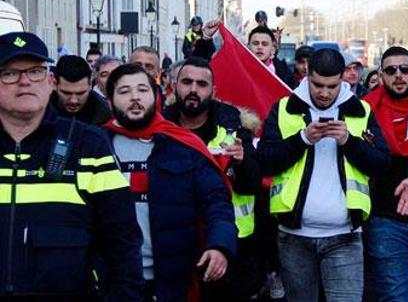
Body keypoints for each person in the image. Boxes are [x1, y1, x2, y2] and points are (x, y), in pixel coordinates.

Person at [0, 32, 142, 300]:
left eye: (35, 71)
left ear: (50, 81)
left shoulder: (89, 145)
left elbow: (121, 244)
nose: (24, 82)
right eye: (9, 73)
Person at [257, 48, 390, 302]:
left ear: (343, 78)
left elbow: (381, 164)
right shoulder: (285, 108)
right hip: (294, 235)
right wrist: (303, 139)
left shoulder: (360, 110)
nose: (325, 93)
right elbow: (265, 161)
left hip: (345, 235)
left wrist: (349, 142)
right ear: (307, 74)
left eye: (332, 86)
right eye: (318, 85)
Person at [103, 63, 237, 301]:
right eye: (124, 91)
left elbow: (217, 203)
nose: (135, 97)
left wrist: (220, 246)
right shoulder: (95, 147)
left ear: (156, 97)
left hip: (172, 283)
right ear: (110, 101)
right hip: (112, 282)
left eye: (142, 90)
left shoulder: (184, 145)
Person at [163, 57, 265, 300]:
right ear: (174, 86)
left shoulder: (233, 130)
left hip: (230, 247)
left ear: (213, 91)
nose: (193, 90)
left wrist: (242, 162)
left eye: (201, 84)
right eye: (187, 82)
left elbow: (253, 184)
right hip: (174, 244)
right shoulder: (160, 128)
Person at [362, 47, 408, 301]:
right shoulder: (363, 111)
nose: (398, 75)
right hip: (385, 220)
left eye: (405, 69)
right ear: (381, 75)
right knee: (396, 297)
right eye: (391, 70)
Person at [51, 55, 111, 125]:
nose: (73, 101)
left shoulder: (103, 113)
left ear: (90, 85)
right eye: (66, 93)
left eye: (80, 93)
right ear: (55, 84)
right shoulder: (40, 107)